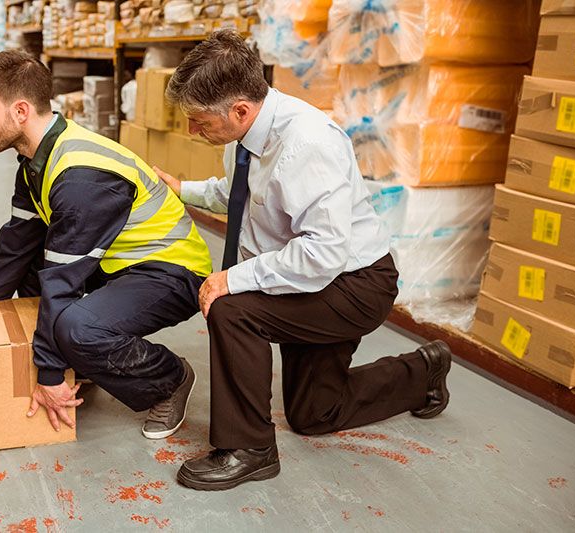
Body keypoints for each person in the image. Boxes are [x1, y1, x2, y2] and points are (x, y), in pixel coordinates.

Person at [152, 30, 453, 491]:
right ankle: (424, 371)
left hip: (352, 285)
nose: (193, 131)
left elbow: (323, 253)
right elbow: (237, 193)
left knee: (232, 309)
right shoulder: (247, 135)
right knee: (316, 414)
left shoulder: (307, 143)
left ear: (238, 109)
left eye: (198, 120)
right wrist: (183, 189)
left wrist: (234, 278)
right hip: (310, 278)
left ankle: (248, 448)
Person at [0, 50, 212, 439]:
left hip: (171, 271)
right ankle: (88, 362)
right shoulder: (37, 160)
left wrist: (50, 374)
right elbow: (15, 246)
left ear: (20, 111)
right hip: (115, 265)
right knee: (30, 272)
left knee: (76, 327)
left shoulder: (80, 178)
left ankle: (169, 378)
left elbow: (63, 282)